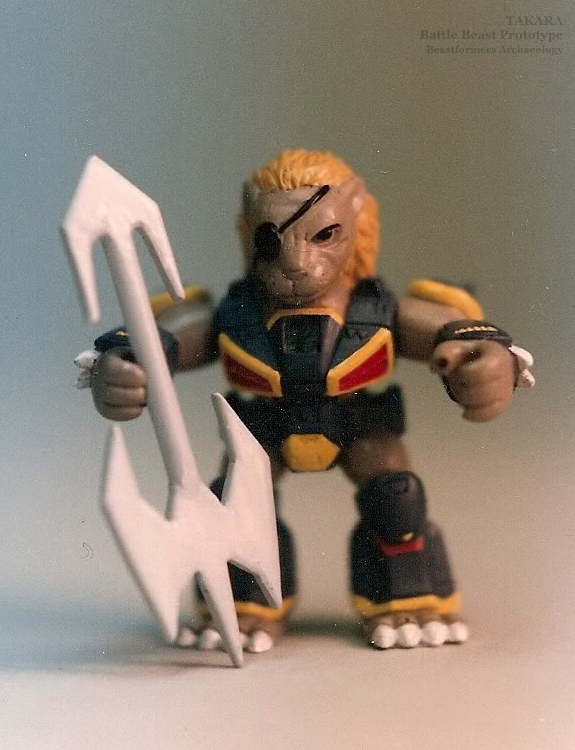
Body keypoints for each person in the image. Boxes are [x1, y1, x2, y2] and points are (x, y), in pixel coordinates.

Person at [84, 148, 533, 653]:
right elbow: (165, 339)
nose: (296, 263)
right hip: (264, 428)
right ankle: (244, 607)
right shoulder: (238, 312)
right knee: (233, 504)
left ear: (355, 216)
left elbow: (453, 332)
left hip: (357, 422)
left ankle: (409, 600)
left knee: (397, 498)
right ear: (249, 230)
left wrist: (484, 357)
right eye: (272, 239)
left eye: (323, 235)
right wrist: (130, 362)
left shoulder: (376, 308)